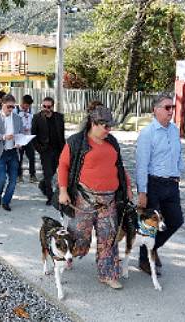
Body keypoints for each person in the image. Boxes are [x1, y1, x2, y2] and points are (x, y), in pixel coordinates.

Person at [57, 104, 132, 289]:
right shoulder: (76, 142)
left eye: (110, 126)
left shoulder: (112, 142)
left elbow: (119, 167)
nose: (109, 130)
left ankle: (108, 274)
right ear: (93, 123)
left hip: (109, 200)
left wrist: (128, 187)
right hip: (84, 199)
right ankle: (63, 256)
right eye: (106, 126)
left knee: (109, 237)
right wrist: (63, 190)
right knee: (79, 238)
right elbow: (63, 166)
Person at [135, 94, 184, 275]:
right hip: (153, 183)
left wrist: (179, 171)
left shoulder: (174, 130)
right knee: (150, 225)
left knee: (176, 220)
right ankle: (144, 260)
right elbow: (141, 164)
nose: (171, 111)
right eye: (167, 107)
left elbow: (179, 154)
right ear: (155, 110)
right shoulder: (148, 133)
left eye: (173, 107)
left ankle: (153, 248)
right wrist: (142, 191)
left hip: (171, 184)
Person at [0, 94, 23, 211]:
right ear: (2, 104)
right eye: (9, 107)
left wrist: (19, 142)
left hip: (13, 152)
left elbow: (21, 134)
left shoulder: (17, 118)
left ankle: (6, 201)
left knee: (13, 180)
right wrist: (3, 137)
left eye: (13, 107)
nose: (11, 109)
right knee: (2, 177)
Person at [31, 97, 65, 205]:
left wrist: (65, 149)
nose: (46, 109)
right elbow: (33, 135)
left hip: (58, 149)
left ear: (52, 107)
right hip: (45, 151)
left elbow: (62, 134)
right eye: (44, 106)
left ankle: (42, 184)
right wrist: (39, 149)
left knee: (54, 173)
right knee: (48, 173)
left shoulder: (59, 117)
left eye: (48, 107)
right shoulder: (37, 117)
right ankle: (50, 197)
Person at [16, 94, 37, 183]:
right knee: (19, 158)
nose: (27, 107)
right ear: (22, 103)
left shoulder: (31, 110)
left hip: (28, 137)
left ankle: (32, 175)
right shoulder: (15, 110)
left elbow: (34, 122)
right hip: (19, 137)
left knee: (31, 157)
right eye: (26, 105)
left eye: (28, 106)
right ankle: (19, 175)